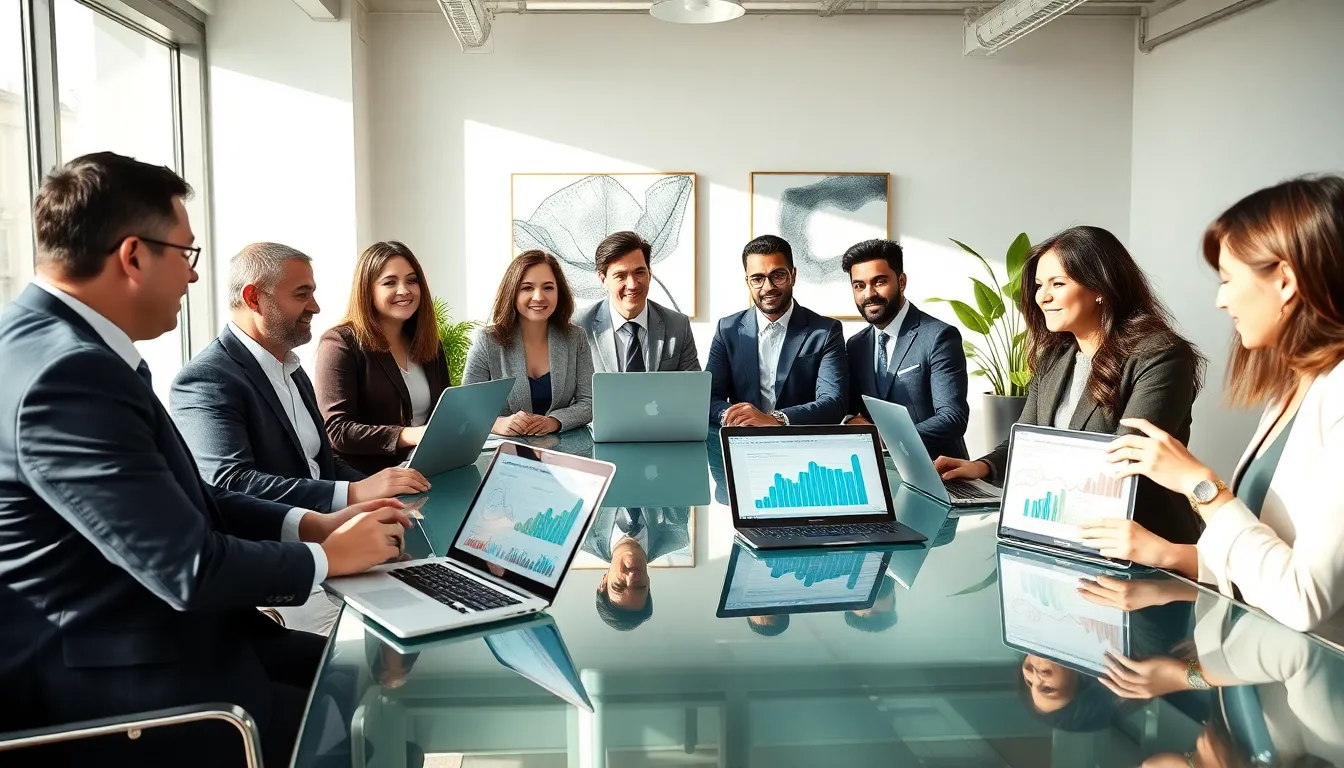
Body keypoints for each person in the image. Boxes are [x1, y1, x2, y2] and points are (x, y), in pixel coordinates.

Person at [0, 152, 409, 768]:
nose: (194, 279)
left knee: (376, 677)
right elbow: (187, 568)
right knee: (366, 712)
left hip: (167, 637)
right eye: (186, 255)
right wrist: (326, 558)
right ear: (134, 256)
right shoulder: (70, 373)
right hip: (117, 684)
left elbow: (187, 494)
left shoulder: (55, 345)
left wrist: (310, 524)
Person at [1082, 176, 1344, 640]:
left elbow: (1304, 601)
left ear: (1284, 280)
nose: (1221, 300)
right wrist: (1166, 555)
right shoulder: (1294, 390)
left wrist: (1199, 484)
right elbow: (1265, 562)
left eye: (1227, 280)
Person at [171, 243, 431, 633]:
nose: (316, 307)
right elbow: (230, 483)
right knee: (370, 645)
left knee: (427, 604)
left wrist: (380, 492)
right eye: (302, 294)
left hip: (341, 540)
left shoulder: (291, 369)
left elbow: (322, 461)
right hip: (289, 565)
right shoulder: (207, 380)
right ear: (253, 298)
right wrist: (350, 495)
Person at [935, 226, 1206, 546]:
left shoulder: (1160, 355)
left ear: (1100, 287)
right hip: (1063, 534)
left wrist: (1039, 476)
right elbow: (1027, 441)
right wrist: (981, 467)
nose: (1042, 297)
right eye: (1039, 285)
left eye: (1058, 284)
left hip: (1141, 545)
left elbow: (1127, 461)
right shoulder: (1054, 356)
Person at [315, 241, 452, 474]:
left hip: (427, 469)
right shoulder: (340, 343)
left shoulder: (428, 343)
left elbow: (446, 410)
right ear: (367, 290)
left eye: (412, 280)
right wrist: (406, 435)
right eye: (390, 282)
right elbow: (338, 431)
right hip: (368, 480)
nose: (404, 290)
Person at [841, 239, 970, 459]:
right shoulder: (855, 345)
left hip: (938, 471)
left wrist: (886, 438)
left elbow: (953, 417)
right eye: (859, 285)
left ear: (901, 281)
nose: (869, 293)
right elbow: (856, 410)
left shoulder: (939, 336)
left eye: (879, 282)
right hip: (878, 472)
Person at [706, 235, 848, 427]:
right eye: (757, 279)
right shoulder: (727, 330)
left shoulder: (825, 331)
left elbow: (833, 403)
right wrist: (735, 417)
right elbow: (709, 399)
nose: (768, 287)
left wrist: (775, 419)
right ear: (747, 281)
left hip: (802, 442)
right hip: (743, 440)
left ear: (793, 276)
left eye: (778, 276)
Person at [462, 249, 594, 436]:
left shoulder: (575, 337)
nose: (539, 297)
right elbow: (467, 406)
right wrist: (498, 424)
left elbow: (588, 402)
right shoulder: (487, 340)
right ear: (513, 292)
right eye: (527, 288)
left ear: (559, 292)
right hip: (504, 450)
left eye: (548, 287)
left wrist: (554, 421)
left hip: (563, 450)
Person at [573, 231, 700, 373]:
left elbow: (693, 390)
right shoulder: (578, 326)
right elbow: (566, 392)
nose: (632, 285)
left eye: (639, 272)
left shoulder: (678, 326)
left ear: (650, 274)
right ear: (603, 280)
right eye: (620, 276)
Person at [584, 507, 688, 632]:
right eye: (639, 586)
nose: (631, 575)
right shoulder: (675, 536)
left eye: (619, 585)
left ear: (604, 581)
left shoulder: (580, 536)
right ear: (648, 583)